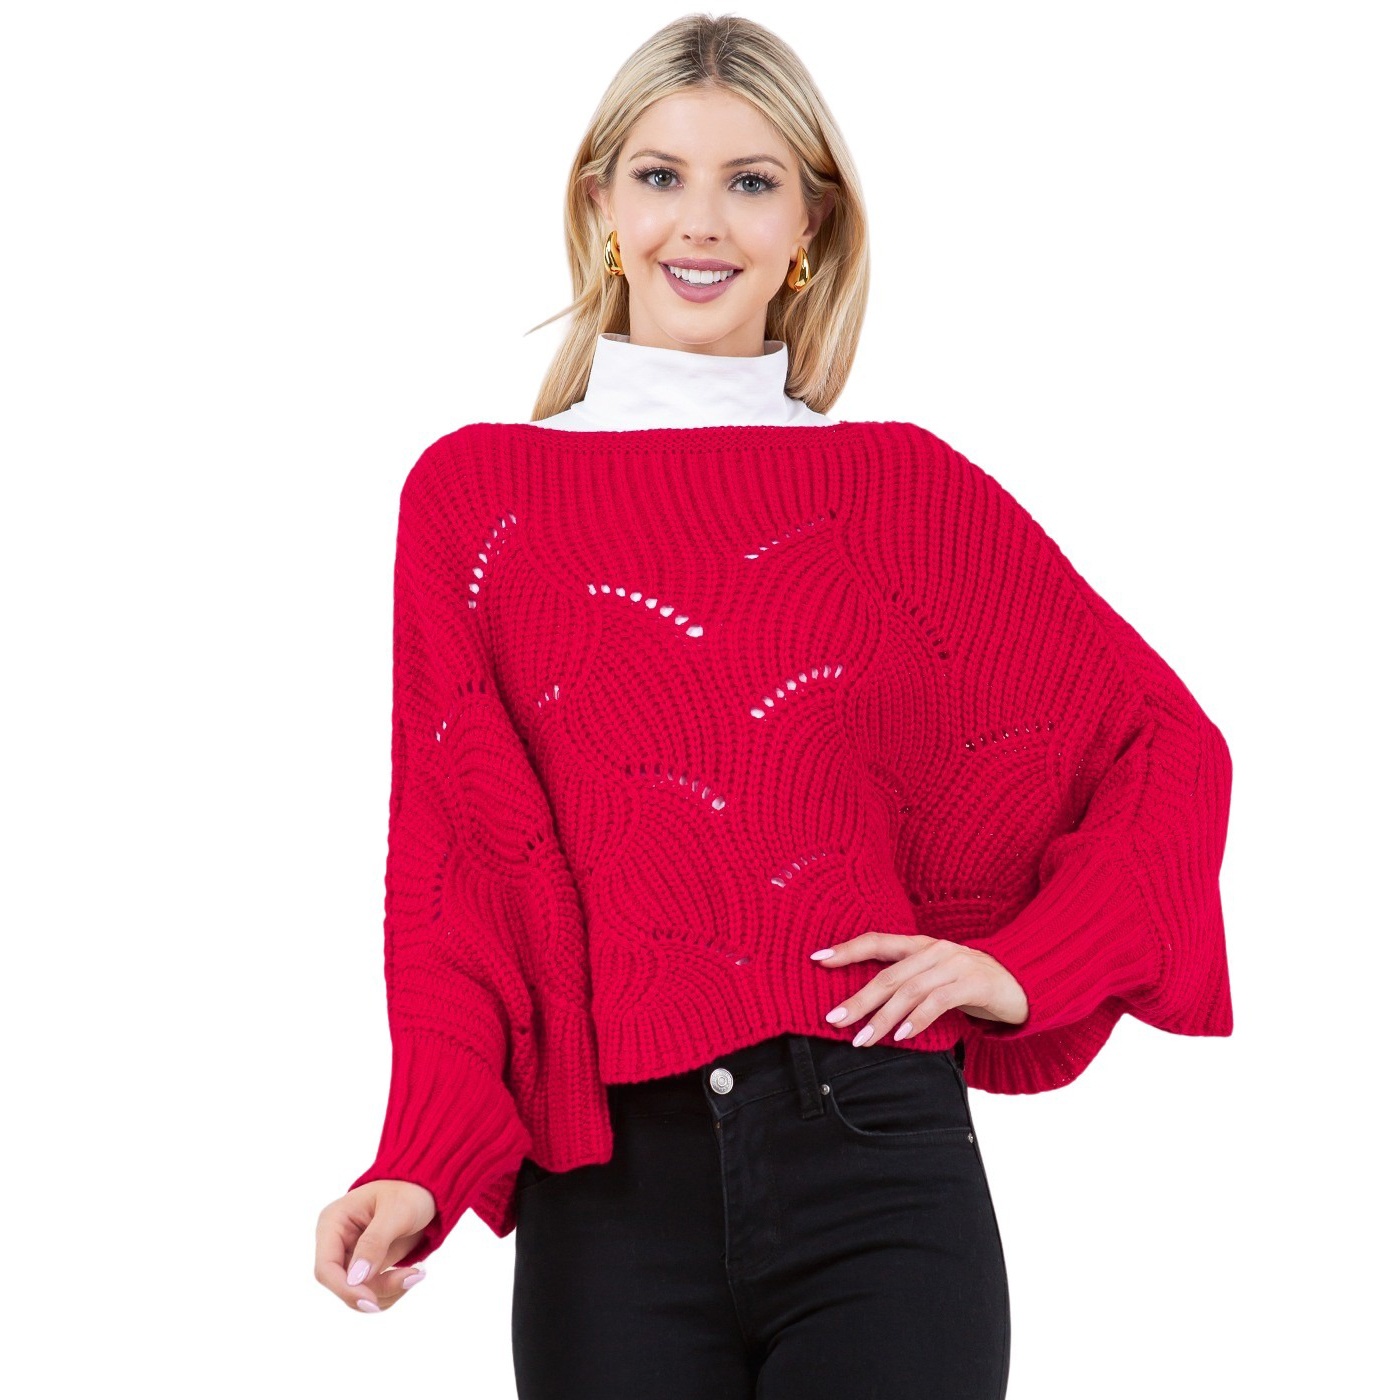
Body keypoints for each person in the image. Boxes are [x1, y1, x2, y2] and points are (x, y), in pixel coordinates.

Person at [314, 16, 1233, 1399]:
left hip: (876, 1159)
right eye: (660, 176)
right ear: (600, 206)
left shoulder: (905, 490)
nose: (701, 221)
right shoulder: (477, 499)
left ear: (810, 225)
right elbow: (458, 877)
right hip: (609, 1192)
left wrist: (1028, 963)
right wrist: (420, 1162)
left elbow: (1165, 748)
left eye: (750, 181)